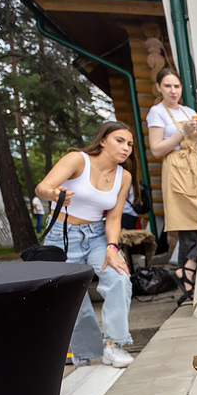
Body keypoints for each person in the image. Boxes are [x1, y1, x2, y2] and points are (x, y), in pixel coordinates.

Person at [35, 121, 137, 368]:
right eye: (120, 141)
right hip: (62, 235)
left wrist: (113, 248)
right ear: (103, 140)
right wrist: (55, 195)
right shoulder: (77, 160)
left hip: (97, 236)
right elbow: (42, 188)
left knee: (119, 278)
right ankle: (86, 349)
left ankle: (114, 345)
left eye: (130, 144)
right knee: (72, 295)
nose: (126, 148)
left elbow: (113, 217)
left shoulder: (124, 176)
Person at [146, 67, 197, 302]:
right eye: (168, 86)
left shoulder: (188, 110)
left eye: (177, 86)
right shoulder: (156, 112)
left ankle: (187, 270)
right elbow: (157, 149)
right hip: (176, 169)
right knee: (189, 227)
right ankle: (188, 273)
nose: (173, 91)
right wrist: (182, 132)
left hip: (195, 168)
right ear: (159, 87)